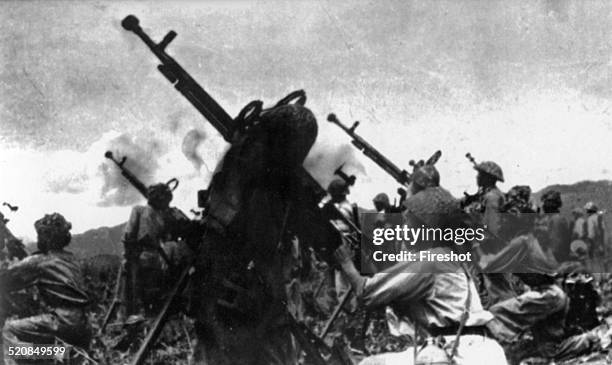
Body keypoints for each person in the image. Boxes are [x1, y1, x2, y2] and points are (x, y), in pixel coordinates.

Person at [334, 174, 508, 365]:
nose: (404, 228)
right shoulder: (448, 256)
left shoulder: (430, 261)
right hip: (482, 351)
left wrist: (344, 261)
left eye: (409, 222)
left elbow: (365, 293)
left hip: (458, 354)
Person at [1, 213, 91, 362]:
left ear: (45, 238)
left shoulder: (40, 261)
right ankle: (57, 354)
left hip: (64, 323)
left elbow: (6, 280)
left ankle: (56, 353)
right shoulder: (72, 258)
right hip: (84, 325)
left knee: (10, 330)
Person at [122, 182, 182, 318]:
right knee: (143, 294)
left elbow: (129, 235)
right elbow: (129, 236)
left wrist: (127, 257)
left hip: (148, 258)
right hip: (148, 258)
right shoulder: (150, 214)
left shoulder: (142, 211)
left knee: (140, 295)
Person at [538, 190, 571, 262]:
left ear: (552, 204)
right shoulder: (551, 218)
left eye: (546, 203)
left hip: (555, 260)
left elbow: (555, 247)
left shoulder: (556, 219)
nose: (543, 206)